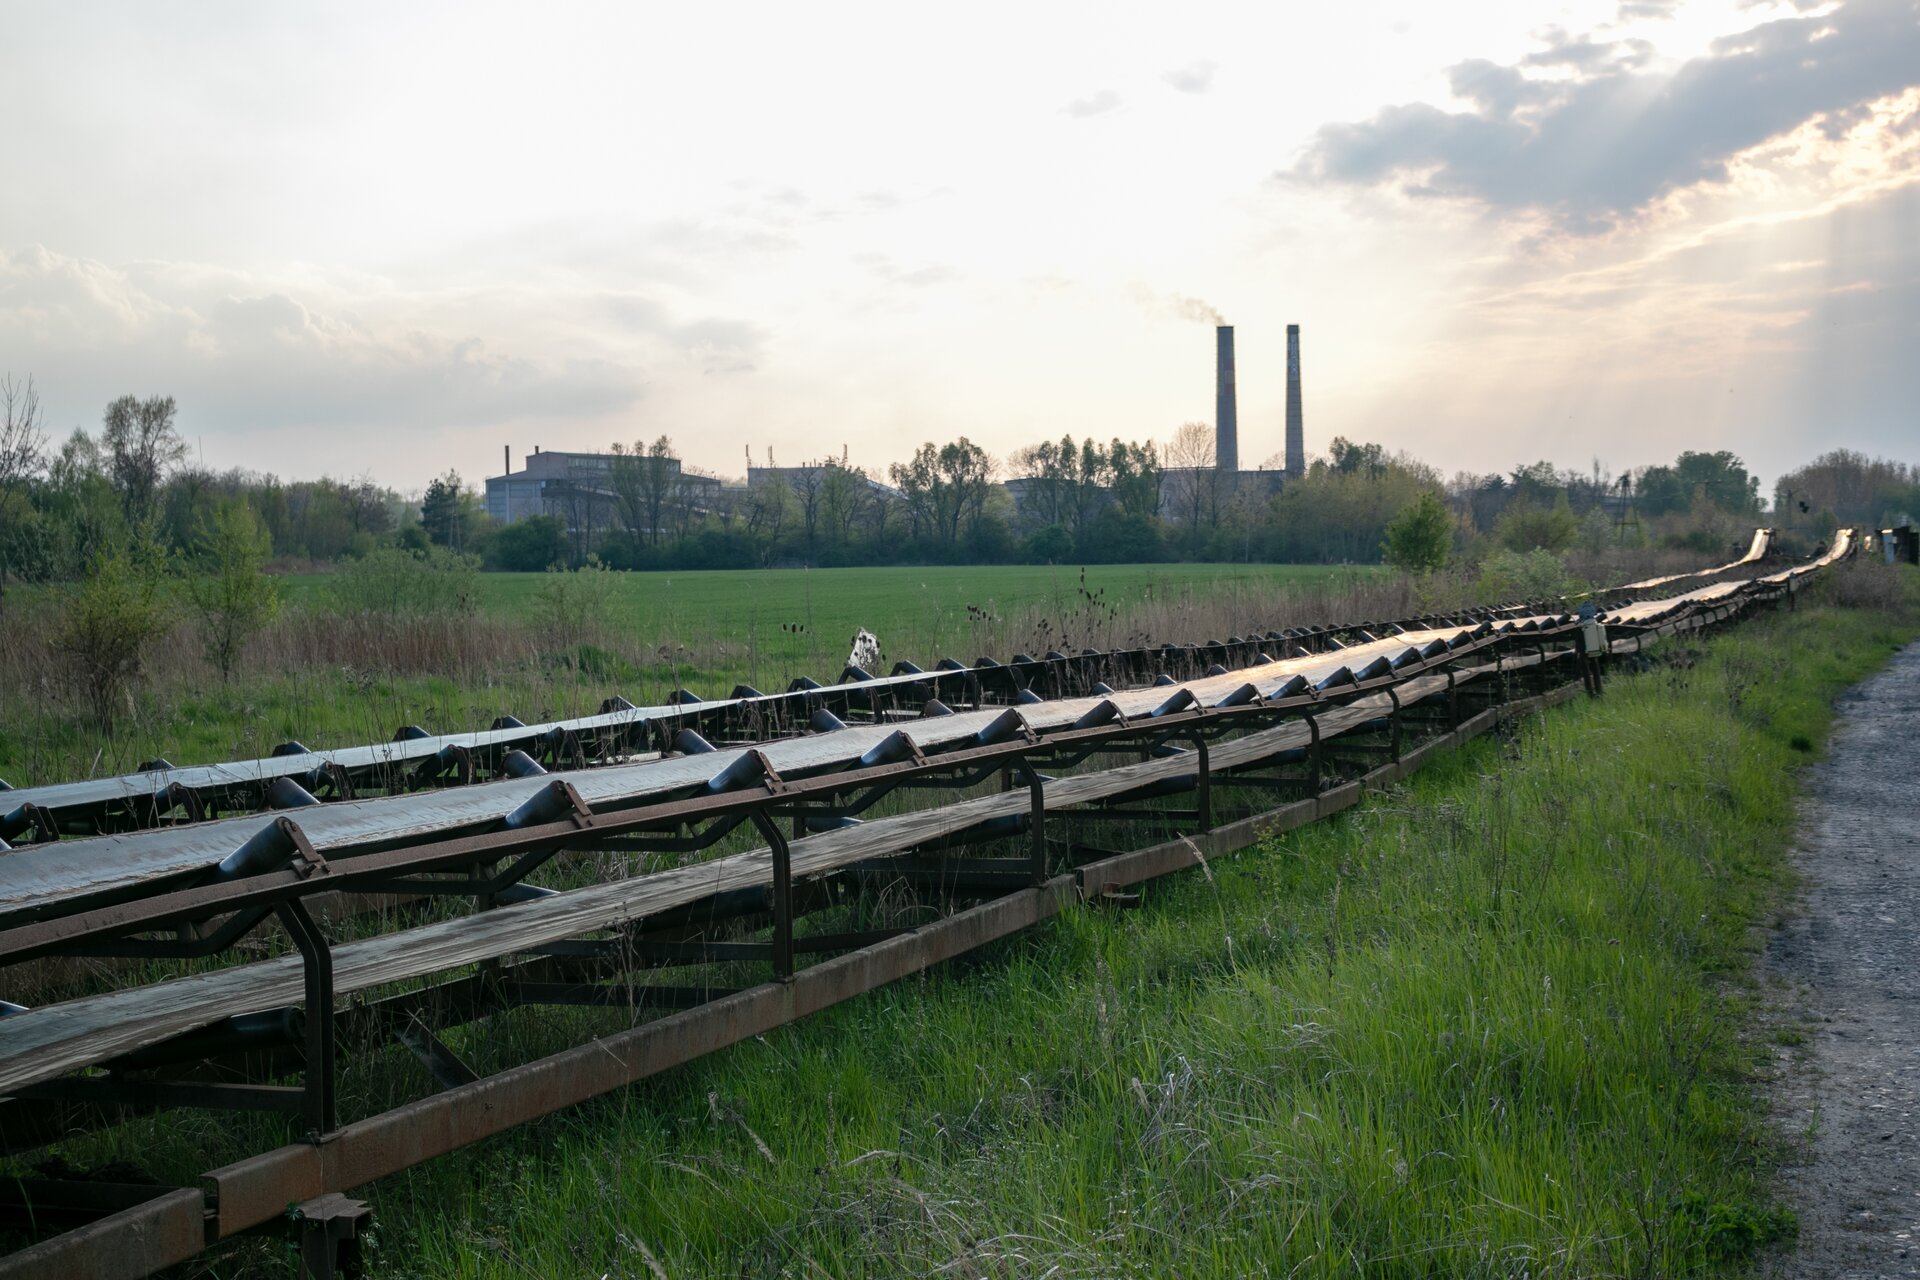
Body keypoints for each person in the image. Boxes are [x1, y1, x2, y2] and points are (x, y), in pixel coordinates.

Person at [1577, 600, 1607, 696]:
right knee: (1595, 669)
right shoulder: (1596, 625)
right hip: (1594, 649)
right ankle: (1599, 691)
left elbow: (1578, 642)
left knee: (1587, 671)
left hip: (1585, 651)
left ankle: (1591, 693)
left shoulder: (1581, 627)